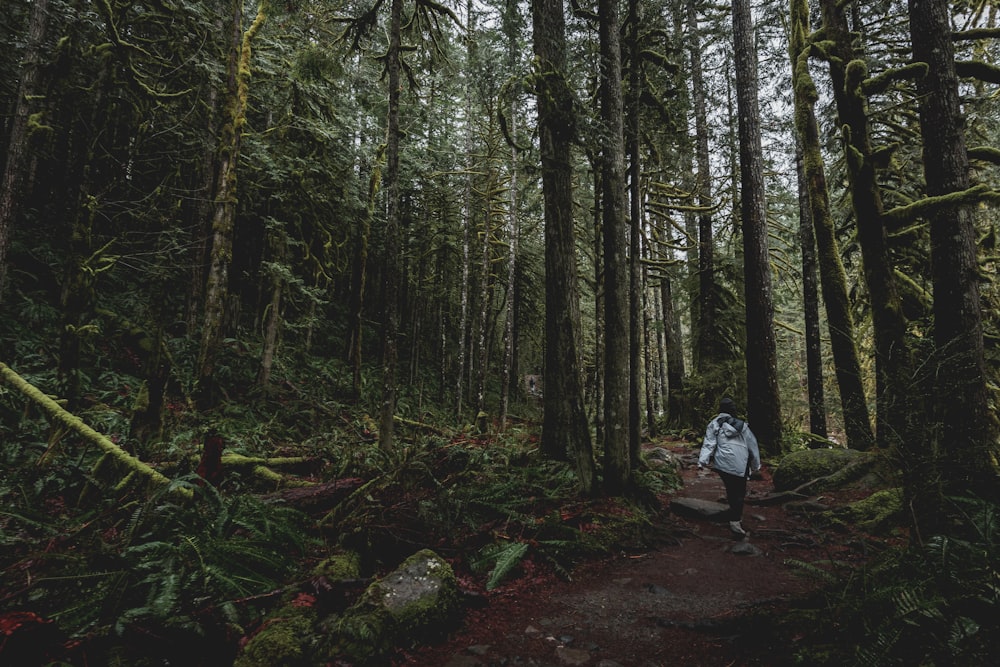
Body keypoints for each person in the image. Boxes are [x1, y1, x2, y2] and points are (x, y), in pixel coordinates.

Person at [698, 397, 761, 536]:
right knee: (739, 492)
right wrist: (756, 465)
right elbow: (753, 445)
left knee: (732, 490)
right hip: (740, 463)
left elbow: (709, 443)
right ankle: (735, 521)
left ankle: (734, 517)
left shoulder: (714, 423)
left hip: (723, 464)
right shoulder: (742, 426)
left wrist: (702, 461)